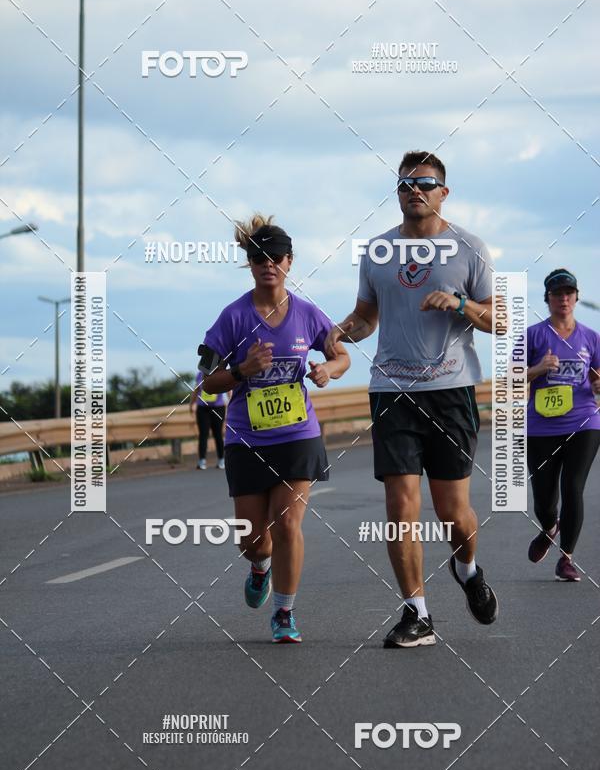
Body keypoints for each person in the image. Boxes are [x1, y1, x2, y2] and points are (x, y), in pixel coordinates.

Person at [325, 150, 498, 648]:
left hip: (451, 391)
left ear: (444, 191)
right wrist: (339, 333)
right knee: (401, 504)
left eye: (424, 182)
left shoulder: (469, 248)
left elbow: (501, 319)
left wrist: (462, 303)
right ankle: (416, 613)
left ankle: (466, 569)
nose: (413, 190)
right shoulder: (377, 251)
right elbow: (365, 318)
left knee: (452, 511)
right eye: (404, 184)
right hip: (392, 393)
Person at [199, 214, 350, 643]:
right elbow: (206, 383)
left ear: (290, 261)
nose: (269, 264)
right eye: (258, 257)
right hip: (246, 439)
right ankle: (259, 565)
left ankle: (285, 612)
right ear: (249, 263)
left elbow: (341, 356)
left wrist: (328, 371)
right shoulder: (232, 317)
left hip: (297, 435)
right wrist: (241, 370)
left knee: (287, 525)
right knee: (253, 539)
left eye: (277, 257)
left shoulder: (306, 313)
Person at [526, 269, 600, 580]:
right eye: (557, 294)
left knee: (573, 488)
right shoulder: (532, 335)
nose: (564, 298)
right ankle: (549, 526)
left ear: (576, 297)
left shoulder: (591, 337)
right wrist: (538, 368)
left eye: (569, 293)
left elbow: (597, 377)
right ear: (548, 299)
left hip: (584, 421)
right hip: (541, 427)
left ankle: (566, 558)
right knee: (544, 500)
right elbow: (509, 381)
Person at [190, 370, 227, 469]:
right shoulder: (200, 374)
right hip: (203, 408)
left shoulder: (220, 373)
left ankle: (221, 460)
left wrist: (230, 404)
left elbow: (228, 390)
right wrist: (192, 404)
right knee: (203, 434)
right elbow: (197, 390)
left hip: (218, 407)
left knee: (218, 434)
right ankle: (202, 460)